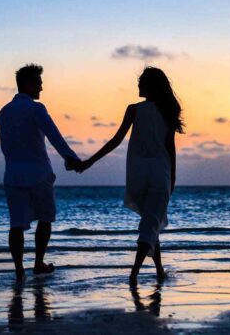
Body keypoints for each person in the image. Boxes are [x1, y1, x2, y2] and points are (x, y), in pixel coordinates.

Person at [78, 67, 184, 285]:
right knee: (150, 223)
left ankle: (159, 271)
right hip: (160, 173)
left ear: (150, 85)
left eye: (141, 82)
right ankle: (134, 274)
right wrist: (173, 177)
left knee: (151, 222)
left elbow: (116, 141)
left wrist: (90, 161)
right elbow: (170, 147)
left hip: (137, 175)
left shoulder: (134, 110)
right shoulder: (168, 110)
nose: (137, 85)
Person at [0, 63, 81, 282]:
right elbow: (54, 135)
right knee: (45, 219)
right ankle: (38, 263)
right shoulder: (36, 109)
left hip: (13, 174)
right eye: (38, 83)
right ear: (27, 83)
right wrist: (71, 158)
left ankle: (18, 271)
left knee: (16, 225)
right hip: (38, 173)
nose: (41, 88)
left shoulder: (4, 112)